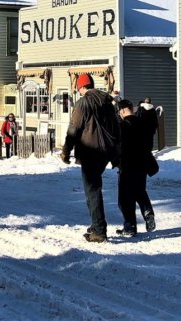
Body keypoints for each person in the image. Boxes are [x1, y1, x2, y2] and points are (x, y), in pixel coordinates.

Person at [60, 73, 121, 243]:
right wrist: (116, 152)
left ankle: (99, 230)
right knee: (94, 188)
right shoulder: (107, 101)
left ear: (81, 87)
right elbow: (116, 127)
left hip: (90, 151)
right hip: (106, 151)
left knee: (92, 190)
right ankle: (96, 225)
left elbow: (74, 130)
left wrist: (66, 151)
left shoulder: (83, 103)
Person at [115, 99, 156, 237]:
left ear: (122, 111)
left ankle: (129, 227)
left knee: (125, 199)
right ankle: (147, 211)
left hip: (127, 165)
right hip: (143, 164)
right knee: (139, 191)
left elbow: (118, 147)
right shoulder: (143, 123)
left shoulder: (122, 126)